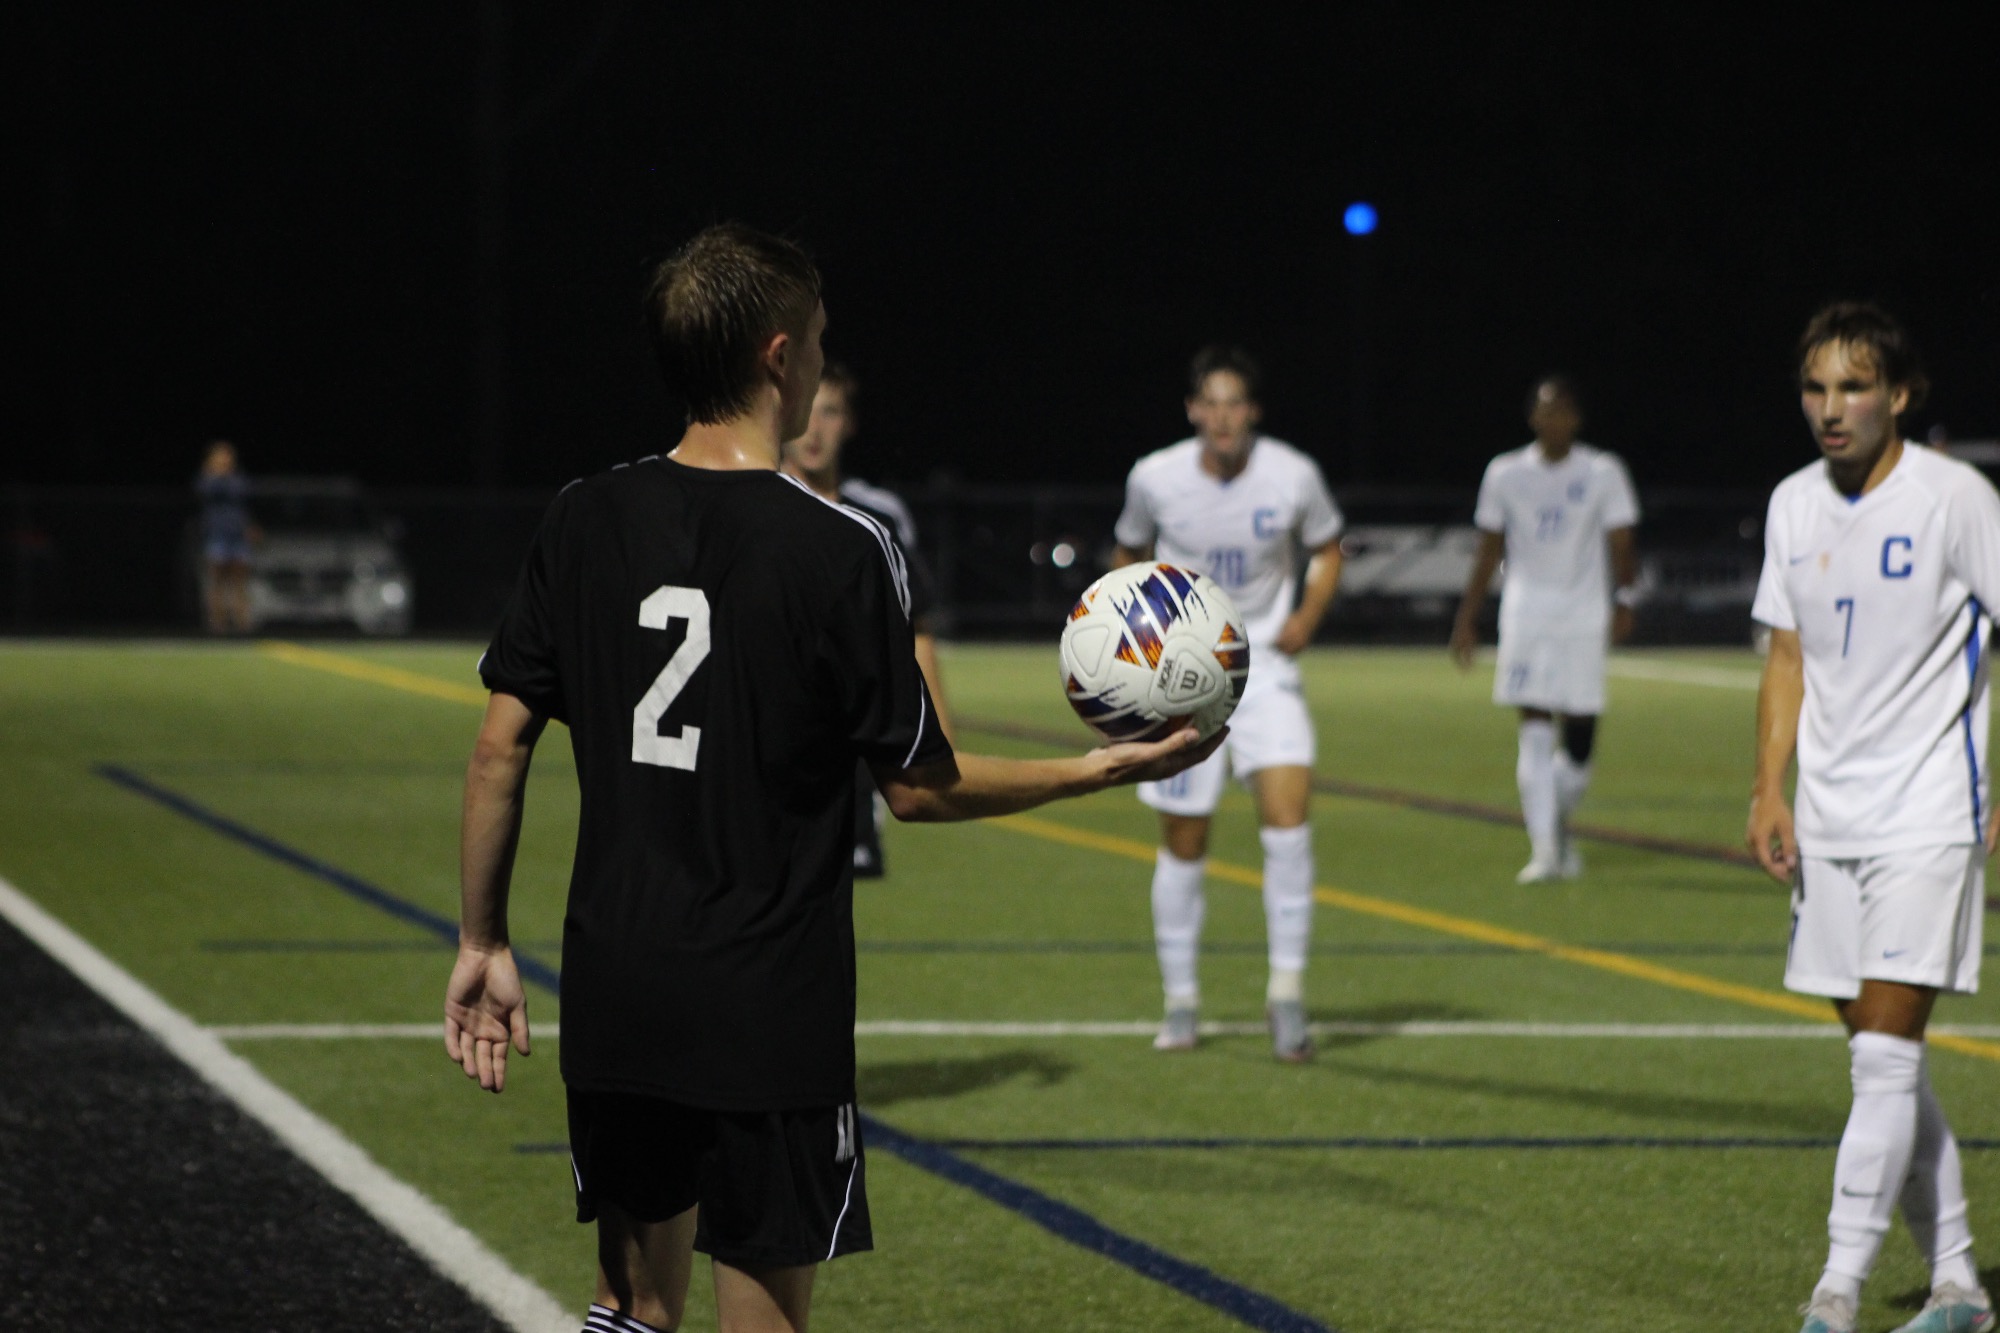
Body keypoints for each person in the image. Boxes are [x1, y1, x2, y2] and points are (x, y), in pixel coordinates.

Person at [443, 223, 1221, 1333]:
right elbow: (917, 785)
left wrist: (481, 942)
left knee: (629, 1304)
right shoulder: (843, 547)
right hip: (767, 1006)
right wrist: (1094, 768)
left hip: (616, 982)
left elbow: (496, 747)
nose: (819, 364)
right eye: (816, 339)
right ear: (775, 356)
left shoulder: (583, 516)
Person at [1748, 302, 1998, 1333]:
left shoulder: (1956, 499)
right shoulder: (1792, 504)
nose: (1829, 409)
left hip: (1928, 809)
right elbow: (1785, 655)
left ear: (1898, 393)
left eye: (1852, 387)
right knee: (1881, 1063)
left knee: (1881, 1060)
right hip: (1827, 819)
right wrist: (1767, 785)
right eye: (1814, 388)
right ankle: (1957, 1287)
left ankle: (1833, 1294)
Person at [1110, 345, 1344, 1061]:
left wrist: (1306, 614)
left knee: (1288, 821)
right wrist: (1140, 640)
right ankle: (1181, 1001)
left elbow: (1329, 547)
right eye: (1209, 403)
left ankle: (1287, 994)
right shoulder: (1154, 475)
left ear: (1253, 412)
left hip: (1267, 666)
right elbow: (1127, 556)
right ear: (1192, 411)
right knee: (1185, 841)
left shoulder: (1294, 473)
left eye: (1234, 402)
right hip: (1187, 678)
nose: (1222, 416)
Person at [1449, 377, 1640, 882]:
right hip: (1526, 614)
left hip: (1582, 615)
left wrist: (1624, 597)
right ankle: (1544, 852)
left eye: (1563, 411)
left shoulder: (1603, 471)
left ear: (1576, 419)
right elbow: (1488, 547)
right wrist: (1468, 617)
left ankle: (1553, 819)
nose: (1554, 420)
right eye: (1545, 411)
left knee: (1579, 741)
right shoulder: (1506, 473)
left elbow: (1622, 540)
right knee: (1533, 727)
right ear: (1532, 418)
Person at [781, 361, 953, 878]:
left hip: (854, 758)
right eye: (806, 412)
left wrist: (941, 730)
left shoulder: (880, 516)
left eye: (830, 412)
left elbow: (914, 625)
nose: (815, 429)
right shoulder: (754, 504)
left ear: (850, 423)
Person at [195, 440, 254, 634]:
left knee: (239, 580)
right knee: (217, 580)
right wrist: (216, 476)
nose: (225, 460)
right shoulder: (207, 479)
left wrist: (249, 527)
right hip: (217, 535)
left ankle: (242, 624)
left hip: (237, 535)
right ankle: (217, 625)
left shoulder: (237, 479)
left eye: (227, 456)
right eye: (220, 456)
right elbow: (205, 492)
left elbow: (243, 498)